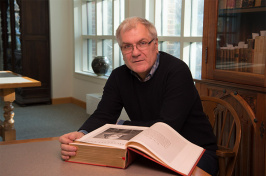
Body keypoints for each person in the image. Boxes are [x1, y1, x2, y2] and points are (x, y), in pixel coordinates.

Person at [59, 16, 218, 175]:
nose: (135, 53)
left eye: (142, 43)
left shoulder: (177, 71)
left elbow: (166, 128)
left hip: (193, 151)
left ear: (155, 44)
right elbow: (103, 115)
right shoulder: (118, 77)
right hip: (148, 151)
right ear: (121, 50)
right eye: (127, 46)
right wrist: (82, 135)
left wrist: (120, 125)